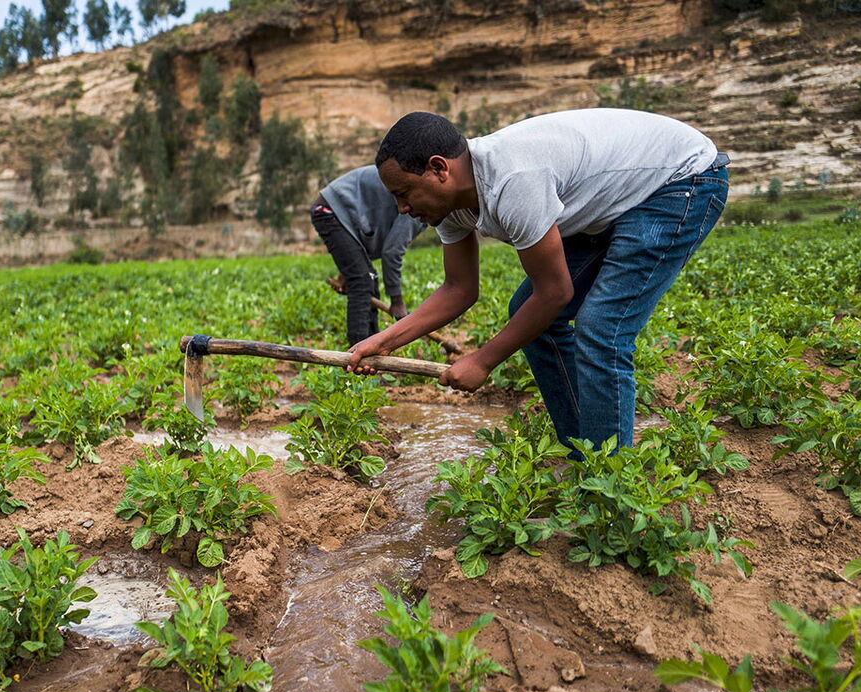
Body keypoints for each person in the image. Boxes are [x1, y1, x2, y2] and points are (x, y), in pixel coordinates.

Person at [347, 109, 729, 452]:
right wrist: (383, 342)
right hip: (617, 201)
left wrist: (483, 360)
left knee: (602, 327)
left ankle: (610, 485)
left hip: (682, 179)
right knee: (528, 316)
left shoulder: (513, 181)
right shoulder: (449, 208)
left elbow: (556, 292)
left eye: (404, 193)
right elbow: (459, 289)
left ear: (439, 169)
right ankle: (585, 453)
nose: (401, 208)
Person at [311, 164, 426, 346]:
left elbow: (371, 239)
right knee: (363, 281)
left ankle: (371, 353)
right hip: (331, 210)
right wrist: (396, 300)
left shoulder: (418, 194)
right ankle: (358, 359)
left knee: (367, 278)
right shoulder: (418, 204)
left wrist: (348, 272)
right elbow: (392, 251)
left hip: (338, 211)